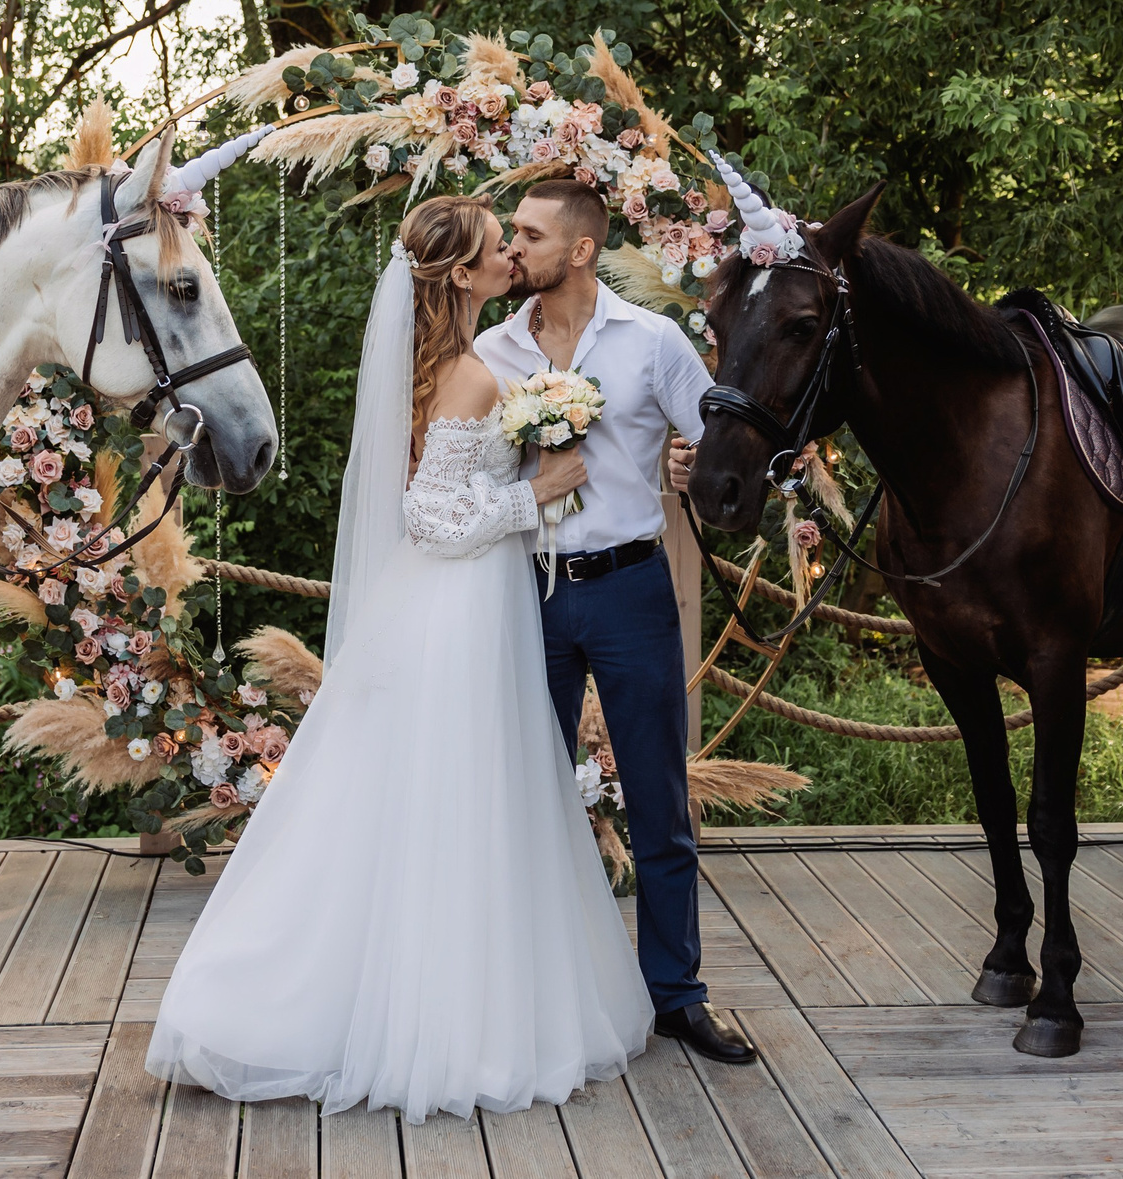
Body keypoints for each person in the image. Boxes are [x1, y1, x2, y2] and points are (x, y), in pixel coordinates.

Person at [145, 195, 653, 1123]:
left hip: (451, 605)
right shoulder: (467, 375)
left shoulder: (452, 366)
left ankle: (420, 993)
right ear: (460, 275)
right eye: (500, 248)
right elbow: (430, 518)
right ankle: (445, 1023)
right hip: (459, 608)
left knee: (419, 802)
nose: (511, 256)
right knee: (459, 801)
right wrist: (535, 494)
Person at [475, 179, 753, 1065]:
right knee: (529, 799)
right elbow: (465, 477)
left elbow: (719, 441)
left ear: (582, 249)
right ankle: (532, 989)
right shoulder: (493, 349)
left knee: (659, 799)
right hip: (529, 590)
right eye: (511, 233)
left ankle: (676, 994)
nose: (513, 247)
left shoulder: (653, 341)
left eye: (530, 233)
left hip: (633, 588)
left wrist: (688, 462)